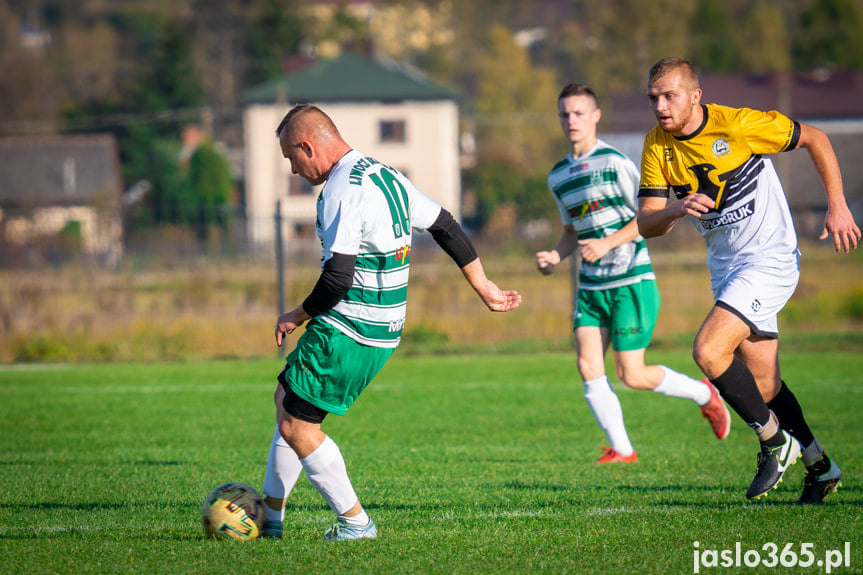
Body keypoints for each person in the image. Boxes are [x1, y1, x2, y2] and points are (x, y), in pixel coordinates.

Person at [260, 104, 521, 541]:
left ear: (308, 146)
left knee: (297, 425)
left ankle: (355, 523)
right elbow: (447, 227)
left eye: (292, 157)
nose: (293, 169)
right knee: (287, 397)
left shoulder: (344, 188)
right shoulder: (385, 175)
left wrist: (296, 315)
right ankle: (270, 518)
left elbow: (338, 278)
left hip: (350, 327)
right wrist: (483, 285)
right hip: (380, 329)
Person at [637, 57, 860, 503]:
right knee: (763, 385)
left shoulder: (737, 125)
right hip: (726, 269)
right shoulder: (656, 145)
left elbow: (815, 138)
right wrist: (675, 210)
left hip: (770, 259)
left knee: (707, 350)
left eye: (670, 95)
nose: (660, 106)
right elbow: (646, 224)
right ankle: (820, 466)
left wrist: (837, 204)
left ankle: (775, 443)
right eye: (654, 98)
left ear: (695, 95)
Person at [536, 83, 731, 464]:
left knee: (632, 374)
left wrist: (608, 244)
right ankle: (623, 450)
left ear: (595, 116)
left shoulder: (616, 163)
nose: (571, 121)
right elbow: (571, 232)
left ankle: (704, 394)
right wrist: (555, 258)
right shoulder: (558, 175)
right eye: (565, 114)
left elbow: (647, 218)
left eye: (579, 113)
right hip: (591, 286)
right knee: (587, 365)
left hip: (630, 280)